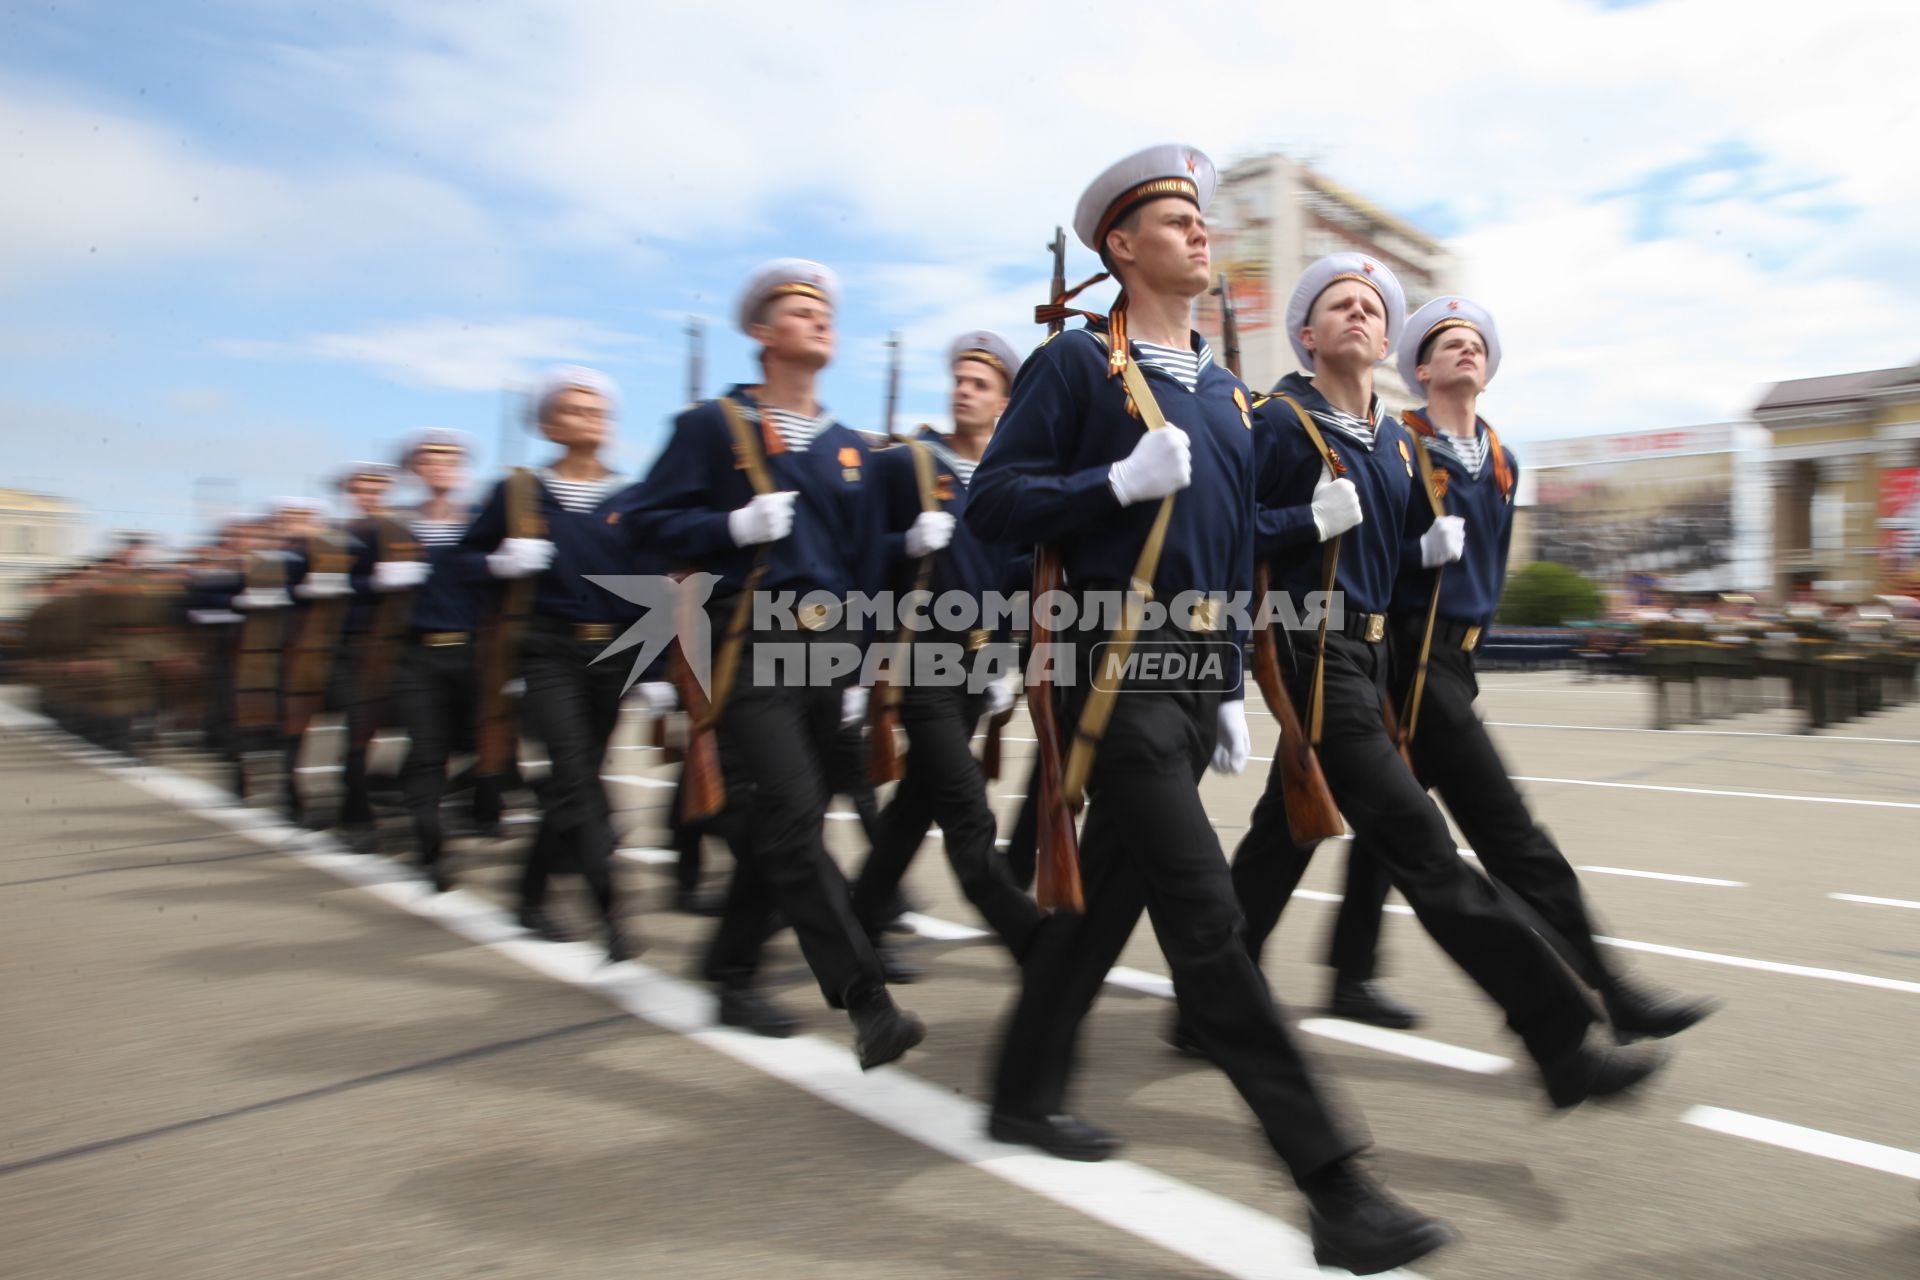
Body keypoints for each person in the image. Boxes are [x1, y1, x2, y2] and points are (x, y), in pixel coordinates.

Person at [965, 145, 1452, 1276]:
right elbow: (995, 500)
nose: (1198, 233)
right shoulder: (1079, 368)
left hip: (1192, 681)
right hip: (1112, 671)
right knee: (1207, 921)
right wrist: (1109, 484)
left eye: (1199, 218)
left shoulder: (1232, 399)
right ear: (1122, 250)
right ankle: (1333, 1184)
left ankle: (1019, 1090)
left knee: (1107, 900)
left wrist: (1230, 683)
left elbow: (1235, 551)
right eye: (1172, 220)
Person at [1223, 253, 1667, 1109]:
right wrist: (1297, 522)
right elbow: (1218, 532)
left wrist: (1420, 559)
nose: (1358, 315)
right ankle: (1562, 1043)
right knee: (1426, 850)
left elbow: (1398, 569)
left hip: (1380, 660)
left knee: (1289, 832)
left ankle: (1211, 1001)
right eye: (1338, 306)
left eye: (1370, 308)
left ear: (1387, 340)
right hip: (1309, 658)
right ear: (1307, 336)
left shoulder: (1393, 442)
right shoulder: (1277, 421)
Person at [1322, 295, 1718, 1040]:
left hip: (1457, 659)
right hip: (1406, 658)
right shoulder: (1399, 443)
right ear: (1422, 368)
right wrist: (1414, 558)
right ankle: (1609, 991)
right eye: (1450, 344)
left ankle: (1343, 973)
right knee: (1510, 833)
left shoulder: (1502, 458)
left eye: (1476, 343)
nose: (1467, 351)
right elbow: (1366, 558)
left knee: (1384, 825)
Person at [616, 260, 925, 1071]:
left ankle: (729, 968)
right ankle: (865, 999)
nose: (819, 319)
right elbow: (639, 526)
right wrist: (730, 525)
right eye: (798, 309)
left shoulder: (852, 450)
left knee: (790, 827)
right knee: (790, 814)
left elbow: (865, 570)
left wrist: (863, 674)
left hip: (828, 650)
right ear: (760, 333)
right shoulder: (713, 427)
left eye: (825, 310)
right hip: (748, 645)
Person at [849, 330, 1042, 963]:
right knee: (967, 809)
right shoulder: (905, 462)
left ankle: (859, 923)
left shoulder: (1007, 478)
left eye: (979, 384)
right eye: (959, 379)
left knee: (916, 804)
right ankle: (1034, 945)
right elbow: (852, 556)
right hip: (916, 658)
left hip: (975, 662)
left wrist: (1003, 659)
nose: (964, 390)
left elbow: (1015, 577)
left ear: (1004, 404)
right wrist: (901, 545)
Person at [463, 366, 637, 963]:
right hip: (547, 647)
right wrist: (498, 562)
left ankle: (529, 894)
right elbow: (458, 563)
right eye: (573, 409)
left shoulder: (632, 498)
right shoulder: (517, 493)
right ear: (545, 424)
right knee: (575, 773)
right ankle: (611, 910)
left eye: (598, 409)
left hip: (615, 652)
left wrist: (662, 670)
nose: (590, 418)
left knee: (576, 778)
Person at [390, 429, 497, 893]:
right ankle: (431, 845)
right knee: (429, 750)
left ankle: (465, 803)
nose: (441, 467)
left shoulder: (481, 521)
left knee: (483, 745)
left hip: (475, 650)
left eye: (451, 459)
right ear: (414, 469)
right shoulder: (393, 527)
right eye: (430, 459)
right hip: (417, 652)